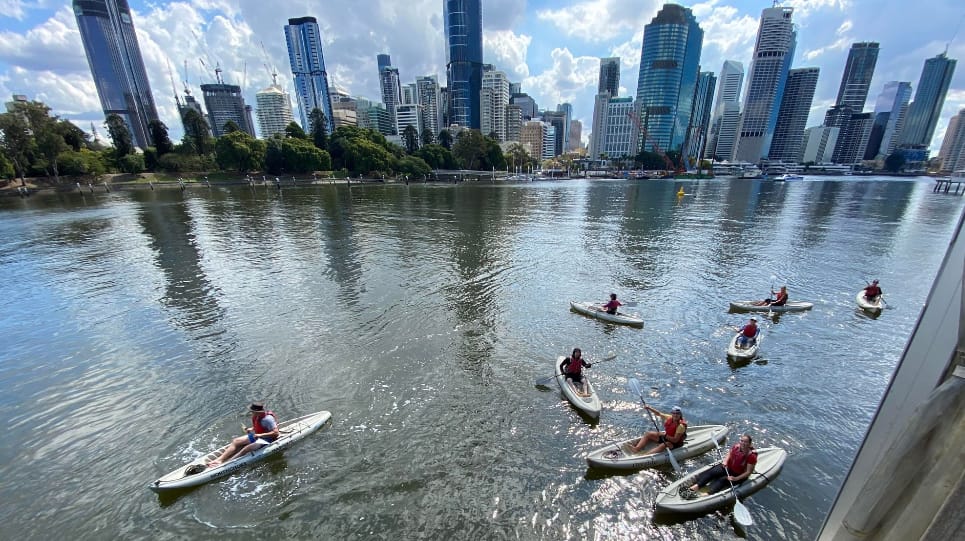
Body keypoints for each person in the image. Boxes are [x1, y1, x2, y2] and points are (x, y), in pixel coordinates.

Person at [207, 402, 280, 468]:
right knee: (236, 441)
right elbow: (259, 426)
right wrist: (251, 429)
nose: (251, 412)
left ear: (257, 412)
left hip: (267, 439)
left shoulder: (268, 419)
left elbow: (276, 432)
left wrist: (260, 435)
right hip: (258, 436)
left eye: (252, 411)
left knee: (246, 448)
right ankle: (220, 459)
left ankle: (227, 464)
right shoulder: (257, 416)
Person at [684, 433, 757, 497]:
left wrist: (736, 478)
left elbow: (748, 472)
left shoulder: (751, 456)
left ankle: (709, 493)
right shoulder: (736, 446)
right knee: (713, 471)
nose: (743, 443)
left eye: (746, 442)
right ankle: (697, 486)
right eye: (742, 441)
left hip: (738, 475)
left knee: (723, 480)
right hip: (728, 468)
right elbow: (730, 453)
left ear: (749, 444)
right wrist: (725, 461)